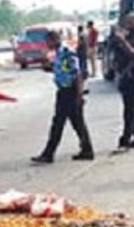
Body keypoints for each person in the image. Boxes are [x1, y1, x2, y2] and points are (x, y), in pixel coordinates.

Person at [31, 30, 94, 164]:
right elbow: (64, 70)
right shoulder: (59, 53)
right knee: (78, 123)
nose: (46, 44)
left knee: (58, 123)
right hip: (64, 91)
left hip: (69, 92)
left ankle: (48, 154)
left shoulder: (67, 52)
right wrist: (50, 67)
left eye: (47, 41)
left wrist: (79, 95)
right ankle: (87, 150)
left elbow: (77, 74)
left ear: (53, 40)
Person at [113, 12, 134, 148]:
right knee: (133, 107)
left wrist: (123, 41)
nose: (127, 24)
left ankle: (126, 138)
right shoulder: (128, 36)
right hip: (124, 75)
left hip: (133, 74)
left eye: (130, 21)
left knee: (130, 109)